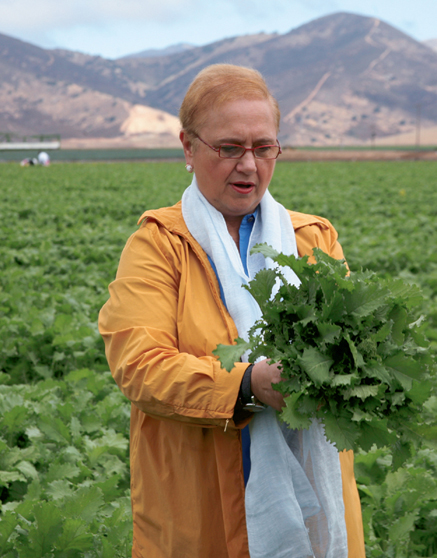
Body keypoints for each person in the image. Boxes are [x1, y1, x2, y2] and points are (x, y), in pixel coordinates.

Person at [98, 64, 365, 558]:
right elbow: (139, 364)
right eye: (229, 148)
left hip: (314, 503)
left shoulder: (313, 241)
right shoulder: (159, 245)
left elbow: (352, 349)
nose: (249, 165)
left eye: (264, 148)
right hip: (200, 511)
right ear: (188, 147)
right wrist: (248, 386)